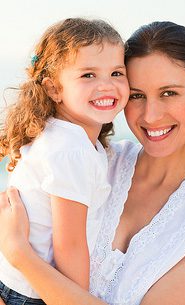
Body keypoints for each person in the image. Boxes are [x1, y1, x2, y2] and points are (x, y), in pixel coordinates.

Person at [0, 21, 185, 305]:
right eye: (137, 95)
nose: (151, 115)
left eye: (169, 93)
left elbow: (17, 247)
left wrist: (19, 254)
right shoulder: (99, 158)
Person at [0, 18, 129, 304]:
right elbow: (69, 244)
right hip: (33, 294)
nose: (106, 86)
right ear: (54, 89)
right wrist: (75, 297)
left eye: (117, 73)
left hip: (16, 282)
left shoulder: (61, 135)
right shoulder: (72, 150)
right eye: (88, 76)